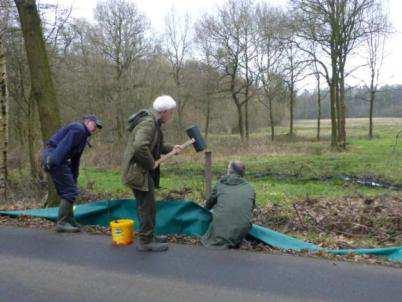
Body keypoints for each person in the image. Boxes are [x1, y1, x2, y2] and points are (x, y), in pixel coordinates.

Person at [122, 95, 182, 252]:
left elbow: (155, 146)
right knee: (147, 206)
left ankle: (149, 236)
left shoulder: (154, 123)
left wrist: (171, 149)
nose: (172, 115)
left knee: (147, 205)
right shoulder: (149, 124)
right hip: (137, 171)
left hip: (140, 170)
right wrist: (151, 164)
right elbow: (140, 146)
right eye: (171, 112)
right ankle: (145, 241)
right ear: (164, 111)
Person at [42, 115, 102, 233]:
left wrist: (75, 175)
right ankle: (62, 223)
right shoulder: (78, 129)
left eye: (97, 127)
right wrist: (52, 161)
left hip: (58, 159)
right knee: (69, 191)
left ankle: (69, 220)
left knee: (71, 189)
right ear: (87, 122)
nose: (95, 128)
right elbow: (64, 146)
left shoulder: (83, 136)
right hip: (55, 158)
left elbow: (76, 158)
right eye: (94, 125)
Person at [201, 161, 255, 249]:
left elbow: (208, 205)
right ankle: (238, 240)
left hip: (219, 231)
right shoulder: (249, 188)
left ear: (229, 171)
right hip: (242, 230)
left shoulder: (220, 184)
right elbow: (249, 209)